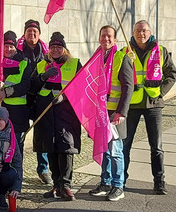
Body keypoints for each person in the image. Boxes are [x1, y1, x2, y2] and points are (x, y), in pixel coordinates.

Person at [122, 20, 176, 195]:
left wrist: (161, 92)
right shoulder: (125, 52)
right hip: (132, 104)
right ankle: (120, 179)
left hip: (154, 103)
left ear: (150, 32)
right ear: (133, 32)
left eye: (144, 30)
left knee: (157, 146)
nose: (141, 34)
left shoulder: (160, 51)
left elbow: (172, 74)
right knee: (125, 144)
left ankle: (159, 181)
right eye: (137, 30)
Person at [30, 32, 82, 201]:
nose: (56, 50)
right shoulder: (40, 65)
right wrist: (43, 76)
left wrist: (65, 97)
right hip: (46, 113)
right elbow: (32, 88)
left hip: (66, 113)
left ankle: (65, 185)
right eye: (53, 47)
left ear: (64, 49)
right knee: (50, 148)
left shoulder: (74, 64)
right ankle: (56, 184)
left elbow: (81, 86)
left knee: (66, 148)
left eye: (59, 47)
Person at [88, 25, 133, 201]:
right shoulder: (97, 57)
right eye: (103, 36)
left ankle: (118, 185)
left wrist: (121, 112)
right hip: (100, 112)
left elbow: (128, 86)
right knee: (104, 148)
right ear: (99, 38)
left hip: (114, 113)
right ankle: (105, 182)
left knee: (115, 151)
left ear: (115, 40)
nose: (106, 39)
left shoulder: (122, 58)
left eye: (109, 36)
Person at [18, 19, 52, 185]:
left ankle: (43, 168)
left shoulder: (47, 53)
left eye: (35, 32)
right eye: (29, 31)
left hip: (40, 98)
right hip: (22, 100)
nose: (32, 34)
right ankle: (18, 169)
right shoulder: (17, 52)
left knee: (42, 134)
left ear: (39, 35)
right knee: (20, 136)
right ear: (24, 34)